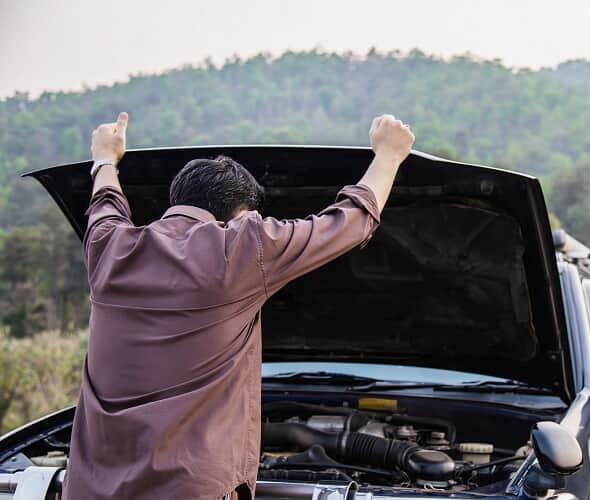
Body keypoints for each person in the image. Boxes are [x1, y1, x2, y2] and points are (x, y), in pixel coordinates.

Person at [62, 112, 415, 500]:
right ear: (244, 214)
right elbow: (349, 222)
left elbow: (105, 202)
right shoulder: (241, 247)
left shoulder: (108, 246)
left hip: (88, 489)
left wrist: (105, 158)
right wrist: (389, 155)